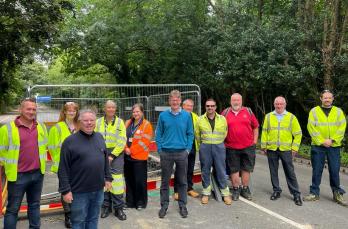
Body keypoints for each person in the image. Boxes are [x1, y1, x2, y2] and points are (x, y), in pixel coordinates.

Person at [58, 109, 112, 229]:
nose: (89, 123)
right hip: (79, 192)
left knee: (93, 219)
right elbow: (63, 169)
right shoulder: (70, 142)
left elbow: (105, 160)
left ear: (95, 122)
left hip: (98, 190)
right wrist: (65, 190)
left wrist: (108, 178)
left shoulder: (99, 137)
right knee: (78, 222)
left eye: (92, 120)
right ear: (79, 122)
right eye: (85, 120)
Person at [0, 98, 48, 229]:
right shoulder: (7, 129)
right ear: (21, 109)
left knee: (34, 206)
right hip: (17, 176)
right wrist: (5, 172)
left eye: (34, 109)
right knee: (12, 209)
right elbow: (1, 152)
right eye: (28, 109)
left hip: (38, 174)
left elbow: (45, 146)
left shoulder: (41, 126)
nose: (31, 112)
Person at [304, 90, 347, 206]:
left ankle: (337, 193)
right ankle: (314, 193)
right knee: (317, 169)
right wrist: (322, 141)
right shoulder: (314, 111)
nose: (327, 100)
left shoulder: (338, 112)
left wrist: (332, 140)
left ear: (333, 99)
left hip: (334, 146)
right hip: (318, 146)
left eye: (329, 98)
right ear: (321, 98)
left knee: (334, 170)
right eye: (325, 98)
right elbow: (311, 127)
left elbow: (342, 128)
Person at [155, 90, 194, 218]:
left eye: (177, 99)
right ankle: (164, 206)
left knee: (182, 181)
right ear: (169, 101)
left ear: (180, 101)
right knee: (165, 182)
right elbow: (158, 134)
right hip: (166, 153)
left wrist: (187, 149)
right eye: (172, 99)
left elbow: (190, 133)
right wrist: (160, 150)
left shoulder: (187, 116)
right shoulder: (163, 116)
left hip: (182, 153)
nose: (175, 101)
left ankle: (183, 206)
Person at [261, 96, 303, 206]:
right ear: (274, 104)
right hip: (272, 149)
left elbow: (298, 134)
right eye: (277, 104)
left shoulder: (291, 117)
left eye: (281, 104)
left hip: (286, 150)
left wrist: (295, 148)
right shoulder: (268, 117)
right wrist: (264, 145)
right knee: (273, 171)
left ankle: (296, 194)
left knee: (290, 172)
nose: (279, 106)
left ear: (285, 105)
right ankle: (276, 190)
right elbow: (264, 131)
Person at [222, 93, 259, 201]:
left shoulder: (248, 111)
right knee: (234, 169)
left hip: (248, 147)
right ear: (230, 101)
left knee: (246, 168)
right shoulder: (225, 113)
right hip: (231, 147)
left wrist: (255, 142)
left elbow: (256, 127)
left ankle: (245, 188)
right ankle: (236, 189)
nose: (236, 102)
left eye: (238, 100)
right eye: (234, 100)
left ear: (241, 101)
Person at [48, 102, 79, 228]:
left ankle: (77, 212)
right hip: (64, 165)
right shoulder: (58, 127)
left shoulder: (79, 126)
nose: (71, 112)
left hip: (78, 164)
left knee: (77, 189)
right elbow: (51, 147)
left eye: (74, 111)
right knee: (66, 189)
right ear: (64, 112)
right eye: (69, 110)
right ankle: (68, 215)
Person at [95, 100, 127, 220]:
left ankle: (118, 208)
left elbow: (122, 140)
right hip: (101, 153)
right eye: (108, 107)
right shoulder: (98, 122)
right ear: (104, 108)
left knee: (117, 180)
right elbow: (94, 137)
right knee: (104, 179)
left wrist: (112, 156)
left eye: (113, 107)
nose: (111, 109)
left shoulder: (120, 122)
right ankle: (106, 206)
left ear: (115, 109)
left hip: (116, 154)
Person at [197, 98, 232, 205]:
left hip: (219, 146)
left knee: (221, 170)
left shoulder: (222, 119)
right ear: (205, 107)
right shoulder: (200, 119)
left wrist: (219, 143)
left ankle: (225, 193)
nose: (210, 108)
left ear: (215, 107)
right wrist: (202, 145)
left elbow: (225, 132)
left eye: (212, 106)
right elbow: (197, 135)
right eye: (208, 106)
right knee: (205, 170)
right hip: (205, 146)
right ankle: (206, 193)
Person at [124, 103, 153, 210]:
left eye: (138, 111)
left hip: (139, 159)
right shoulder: (127, 123)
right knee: (129, 180)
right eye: (134, 112)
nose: (135, 113)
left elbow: (144, 142)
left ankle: (140, 202)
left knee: (139, 181)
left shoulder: (147, 125)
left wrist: (130, 150)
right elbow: (122, 136)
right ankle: (130, 202)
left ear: (142, 112)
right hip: (127, 158)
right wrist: (125, 148)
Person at [173, 99, 200, 200]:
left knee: (190, 169)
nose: (189, 108)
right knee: (180, 169)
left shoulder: (195, 117)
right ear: (183, 106)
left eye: (191, 106)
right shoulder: (177, 116)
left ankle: (189, 188)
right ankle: (177, 190)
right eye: (188, 106)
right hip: (181, 147)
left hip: (192, 146)